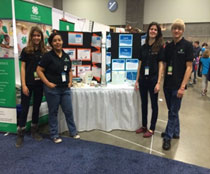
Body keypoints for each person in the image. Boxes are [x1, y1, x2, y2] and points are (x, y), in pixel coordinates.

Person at [36, 32, 80, 143]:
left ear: (62, 41)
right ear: (51, 43)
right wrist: (47, 83)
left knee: (68, 111)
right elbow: (39, 70)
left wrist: (70, 81)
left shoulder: (66, 56)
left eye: (59, 40)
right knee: (53, 112)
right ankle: (54, 134)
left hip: (65, 89)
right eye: (55, 41)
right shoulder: (48, 56)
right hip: (52, 90)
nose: (57, 42)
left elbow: (69, 70)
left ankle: (73, 132)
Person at [162, 19, 193, 150]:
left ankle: (168, 137)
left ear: (182, 31)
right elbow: (164, 64)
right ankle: (176, 132)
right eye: (175, 28)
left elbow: (189, 67)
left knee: (173, 112)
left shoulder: (187, 45)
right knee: (172, 110)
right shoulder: (168, 46)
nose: (176, 31)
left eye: (179, 29)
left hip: (178, 86)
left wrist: (182, 86)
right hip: (167, 85)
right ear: (172, 30)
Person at [16, 26, 46, 148]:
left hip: (39, 84)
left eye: (38, 35)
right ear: (31, 37)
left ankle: (34, 130)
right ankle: (21, 133)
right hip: (27, 84)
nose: (36, 37)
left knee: (36, 107)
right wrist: (23, 84)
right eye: (34, 35)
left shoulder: (44, 52)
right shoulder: (26, 50)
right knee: (24, 108)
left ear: (41, 37)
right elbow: (22, 68)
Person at [135, 22, 164, 138]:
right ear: (148, 31)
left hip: (153, 80)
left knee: (154, 105)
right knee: (144, 103)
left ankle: (152, 128)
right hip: (143, 79)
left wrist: (158, 82)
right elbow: (140, 64)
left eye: (155, 30)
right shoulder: (143, 47)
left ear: (158, 33)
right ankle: (144, 126)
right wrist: (137, 80)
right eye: (151, 29)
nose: (153, 31)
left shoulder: (160, 47)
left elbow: (161, 65)